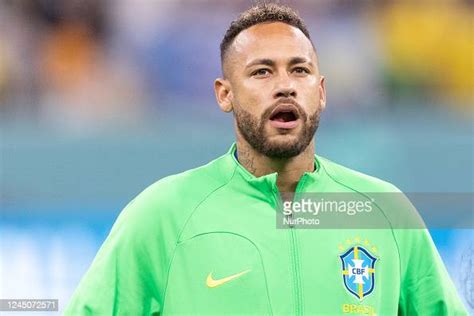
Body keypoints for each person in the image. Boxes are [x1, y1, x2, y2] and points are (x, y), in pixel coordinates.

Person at [65, 3, 467, 315]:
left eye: (300, 70)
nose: (285, 86)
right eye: (262, 72)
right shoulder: (162, 215)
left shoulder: (383, 211)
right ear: (225, 94)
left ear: (321, 92)